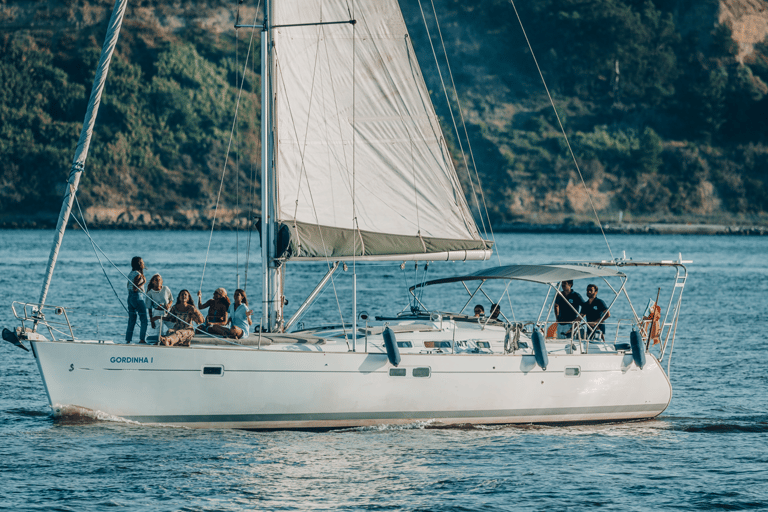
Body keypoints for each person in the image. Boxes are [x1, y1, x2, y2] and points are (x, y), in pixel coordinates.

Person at [125, 256, 148, 344]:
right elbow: (135, 288)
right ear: (139, 264)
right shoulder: (138, 274)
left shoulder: (131, 273)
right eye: (142, 262)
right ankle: (142, 339)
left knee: (132, 320)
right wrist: (144, 282)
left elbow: (129, 286)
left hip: (130, 297)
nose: (144, 264)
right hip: (138, 296)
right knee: (144, 319)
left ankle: (128, 340)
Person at [145, 274, 173, 341]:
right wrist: (151, 320)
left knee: (173, 326)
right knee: (159, 330)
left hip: (167, 312)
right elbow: (149, 307)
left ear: (162, 281)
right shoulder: (150, 293)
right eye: (156, 280)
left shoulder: (166, 289)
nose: (158, 281)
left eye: (159, 280)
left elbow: (171, 299)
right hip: (157, 312)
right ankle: (160, 342)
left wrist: (168, 305)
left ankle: (171, 339)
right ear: (152, 282)